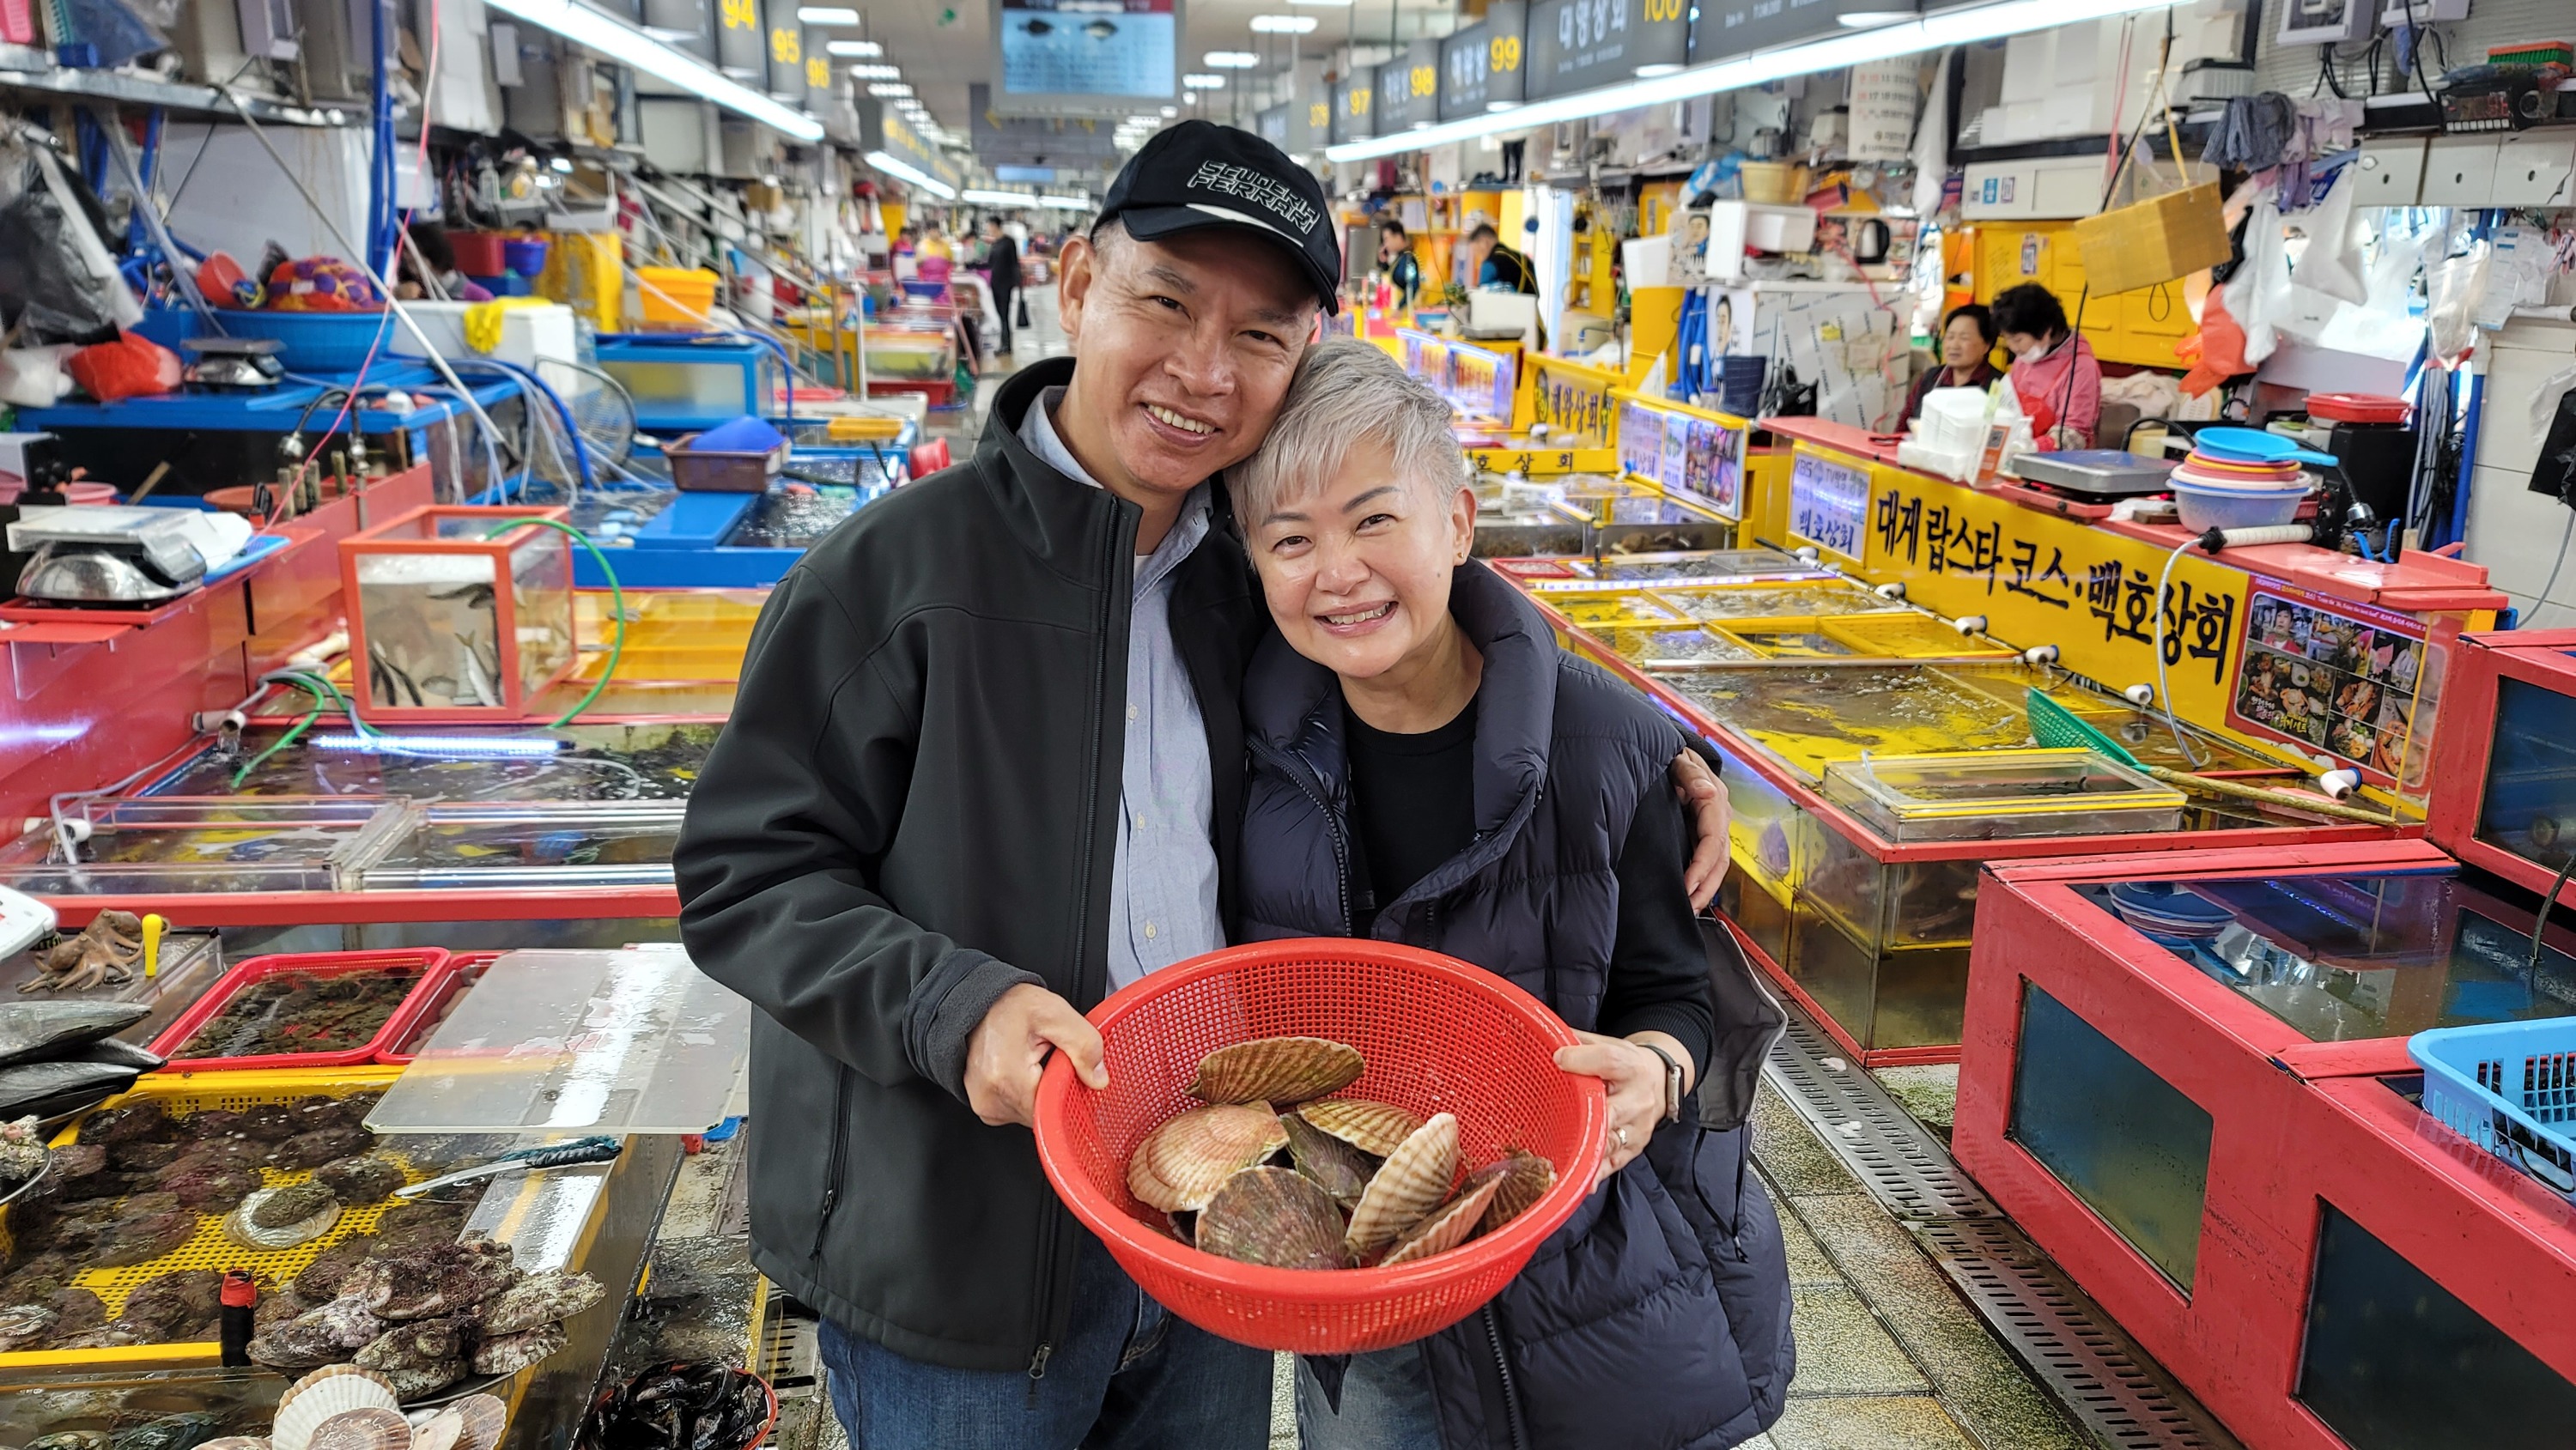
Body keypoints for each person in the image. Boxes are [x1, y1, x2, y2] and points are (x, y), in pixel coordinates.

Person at [673, 121, 1734, 1450]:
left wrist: (1636, 747)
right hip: (957, 1254)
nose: (1201, 370)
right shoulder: (891, 580)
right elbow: (742, 873)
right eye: (1165, 303)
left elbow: (1418, 615)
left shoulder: (1252, 586)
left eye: (1260, 335)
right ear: (1075, 285)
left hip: (1212, 1228)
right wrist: (956, 1005)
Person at [1231, 340, 1793, 1450]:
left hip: (1578, 1284)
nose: (1337, 571)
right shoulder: (1252, 741)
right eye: (1291, 538)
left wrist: (1656, 1070)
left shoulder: (1605, 749)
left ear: (1459, 522)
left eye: (1374, 519)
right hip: (1368, 1294)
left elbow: (1675, 994)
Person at [1992, 283, 2101, 450]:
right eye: (2007, 339)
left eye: (2017, 339)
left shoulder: (2081, 367)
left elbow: (2074, 433)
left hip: (2056, 465)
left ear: (2046, 331)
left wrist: (2034, 447)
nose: (2012, 347)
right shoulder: (2025, 356)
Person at [1902, 302, 2004, 426]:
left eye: (1964, 338)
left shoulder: (1999, 386)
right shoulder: (1930, 378)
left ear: (1986, 346)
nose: (1953, 345)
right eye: (1949, 337)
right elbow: (1904, 424)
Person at [392, 221, 492, 302]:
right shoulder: (412, 294)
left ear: (435, 256)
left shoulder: (479, 298)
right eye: (408, 264)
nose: (412, 270)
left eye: (415, 263)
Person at [985, 215, 1024, 358]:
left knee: (1004, 315)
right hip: (995, 283)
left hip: (1005, 284)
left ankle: (1006, 346)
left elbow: (1015, 263)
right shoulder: (995, 243)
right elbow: (989, 263)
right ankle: (1004, 345)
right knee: (1001, 315)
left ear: (995, 226)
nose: (988, 229)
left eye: (989, 226)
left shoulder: (1008, 242)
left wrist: (1018, 284)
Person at [1461, 221, 1534, 293]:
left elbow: (1482, 299)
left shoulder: (1490, 264)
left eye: (1478, 252)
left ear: (1484, 242)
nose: (1480, 258)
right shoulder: (1523, 259)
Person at [1376, 217, 1422, 306]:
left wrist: (1400, 308)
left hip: (1405, 315)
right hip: (1395, 313)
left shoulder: (1409, 260)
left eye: (1387, 239)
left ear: (1398, 237)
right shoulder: (1399, 259)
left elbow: (1413, 287)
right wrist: (1384, 263)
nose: (1385, 244)